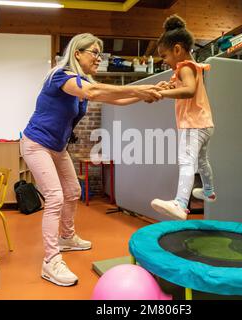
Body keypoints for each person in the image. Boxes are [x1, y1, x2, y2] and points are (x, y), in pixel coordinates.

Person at [20, 33, 162, 287]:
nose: (99, 57)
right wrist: (140, 88)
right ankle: (50, 261)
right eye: (94, 52)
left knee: (73, 191)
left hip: (57, 147)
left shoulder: (83, 85)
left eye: (100, 53)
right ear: (78, 53)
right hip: (36, 144)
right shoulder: (60, 76)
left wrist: (145, 94)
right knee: (55, 196)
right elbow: (95, 91)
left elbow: (116, 98)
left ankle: (67, 237)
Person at [151, 15, 216, 220]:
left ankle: (180, 204)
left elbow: (188, 91)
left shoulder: (184, 67)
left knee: (186, 161)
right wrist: (167, 87)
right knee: (202, 160)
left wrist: (162, 94)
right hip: (205, 124)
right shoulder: (191, 66)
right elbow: (182, 87)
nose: (165, 61)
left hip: (193, 124)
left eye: (165, 56)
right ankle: (208, 191)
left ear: (177, 50)